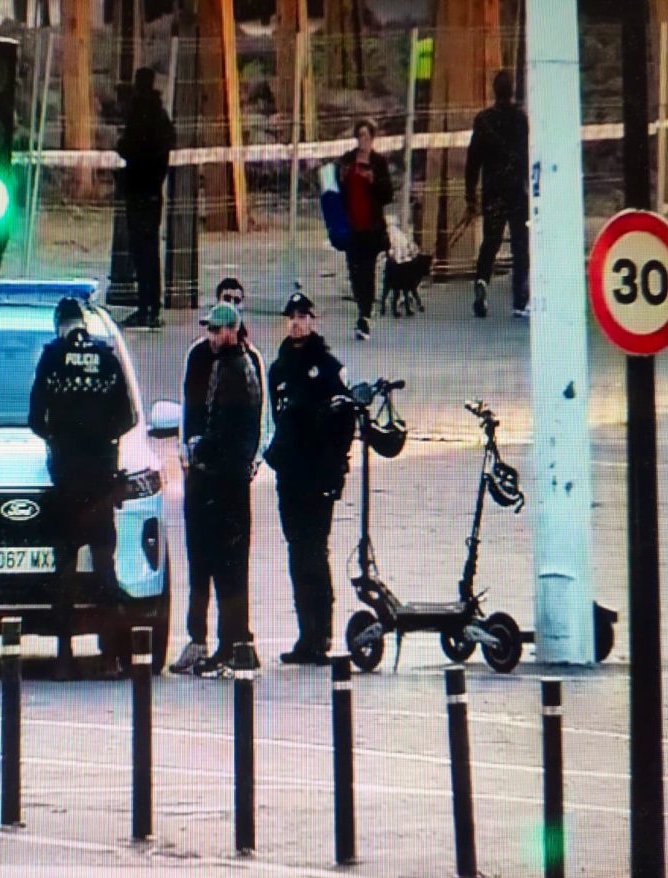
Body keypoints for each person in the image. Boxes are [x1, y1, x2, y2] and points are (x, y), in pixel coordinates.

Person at [28, 297, 137, 677]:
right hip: (101, 479)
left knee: (65, 568)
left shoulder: (52, 357)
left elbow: (34, 417)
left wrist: (60, 440)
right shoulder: (107, 357)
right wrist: (101, 442)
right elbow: (127, 417)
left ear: (59, 324)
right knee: (105, 567)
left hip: (67, 477)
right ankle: (110, 656)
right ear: (84, 324)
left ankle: (64, 656)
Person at [169, 278, 268, 674]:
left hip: (225, 479)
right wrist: (188, 452)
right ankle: (205, 638)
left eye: (217, 328)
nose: (212, 335)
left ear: (233, 330)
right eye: (210, 327)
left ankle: (234, 640)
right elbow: (190, 409)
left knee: (229, 562)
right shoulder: (203, 359)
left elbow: (237, 427)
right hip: (204, 477)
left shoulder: (241, 366)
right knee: (201, 561)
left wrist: (207, 450)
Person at [264, 292, 356, 665]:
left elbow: (344, 422)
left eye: (303, 316)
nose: (296, 322)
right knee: (296, 551)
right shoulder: (279, 369)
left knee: (315, 552)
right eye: (291, 317)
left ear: (314, 321)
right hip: (290, 476)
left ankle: (321, 634)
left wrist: (334, 470)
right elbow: (278, 419)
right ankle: (305, 634)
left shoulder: (329, 367)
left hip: (318, 475)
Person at [464, 69, 530, 319]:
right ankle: (519, 301)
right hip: (516, 190)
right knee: (520, 243)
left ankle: (482, 281)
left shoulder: (483, 120)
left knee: (490, 241)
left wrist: (471, 195)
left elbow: (473, 160)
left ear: (494, 90)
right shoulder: (520, 119)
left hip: (492, 190)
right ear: (511, 91)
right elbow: (525, 154)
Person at [116, 67, 175, 331]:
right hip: (154, 191)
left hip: (137, 191)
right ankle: (153, 304)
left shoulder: (139, 115)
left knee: (141, 252)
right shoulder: (161, 117)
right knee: (151, 250)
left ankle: (144, 306)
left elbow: (127, 147)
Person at [337, 119, 393, 341]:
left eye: (367, 136)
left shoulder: (378, 162)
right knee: (354, 270)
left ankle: (365, 315)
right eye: (360, 136)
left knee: (368, 271)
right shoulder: (347, 161)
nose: (364, 140)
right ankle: (362, 304)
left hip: (371, 227)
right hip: (352, 226)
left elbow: (388, 194)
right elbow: (333, 189)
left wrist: (373, 181)